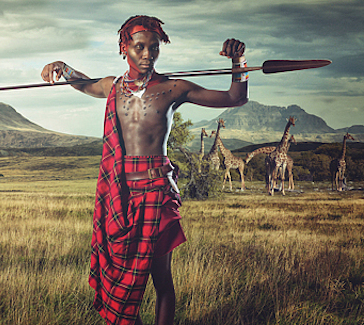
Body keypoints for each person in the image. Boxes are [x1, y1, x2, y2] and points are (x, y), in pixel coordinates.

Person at [41, 15, 248, 325]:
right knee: (121, 284)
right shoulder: (113, 87)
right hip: (121, 195)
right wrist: (61, 66)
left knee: (161, 277)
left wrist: (239, 61)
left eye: (154, 48)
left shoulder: (174, 88)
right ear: (125, 48)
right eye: (139, 47)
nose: (148, 54)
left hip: (158, 192)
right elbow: (83, 82)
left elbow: (235, 97)